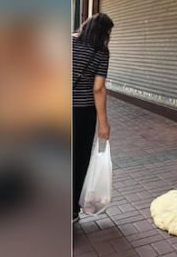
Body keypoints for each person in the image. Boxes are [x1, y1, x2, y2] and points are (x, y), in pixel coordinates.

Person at [72, 13, 113, 223]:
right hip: (82, 113)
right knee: (78, 159)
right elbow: (98, 89)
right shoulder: (101, 53)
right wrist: (103, 123)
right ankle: (70, 210)